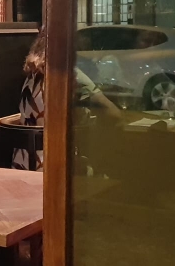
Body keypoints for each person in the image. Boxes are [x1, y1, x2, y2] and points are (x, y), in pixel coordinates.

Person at [12, 27, 121, 171]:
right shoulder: (71, 74)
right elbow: (114, 114)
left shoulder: (32, 73)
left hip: (23, 163)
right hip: (54, 168)